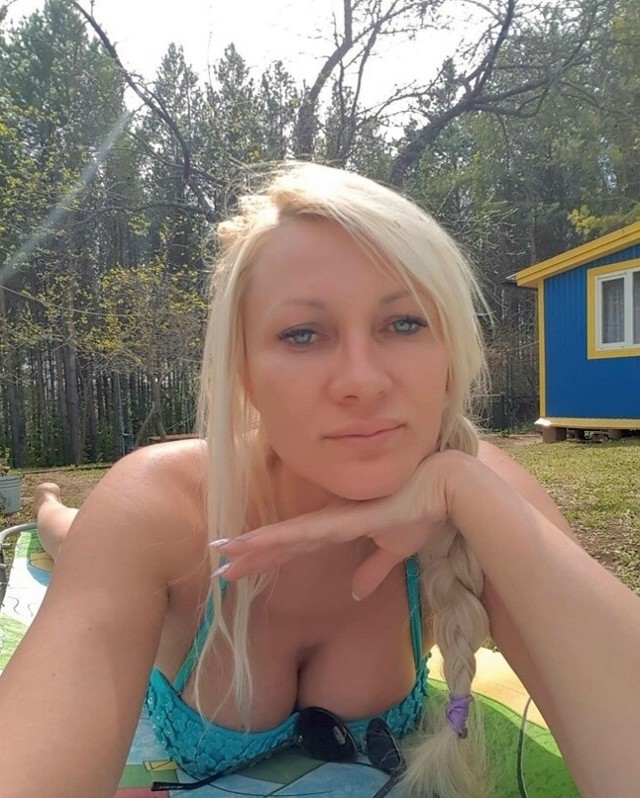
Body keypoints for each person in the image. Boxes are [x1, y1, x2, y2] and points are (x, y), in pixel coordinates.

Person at [1, 162, 639, 798]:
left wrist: (458, 487)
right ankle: (51, 504)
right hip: (125, 532)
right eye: (303, 334)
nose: (363, 381)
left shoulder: (480, 493)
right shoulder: (160, 504)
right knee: (68, 534)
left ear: (448, 350)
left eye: (405, 323)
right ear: (245, 371)